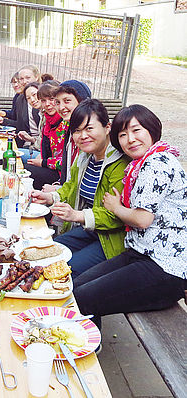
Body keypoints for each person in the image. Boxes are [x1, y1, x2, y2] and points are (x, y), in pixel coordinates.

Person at [73, 104, 187, 329]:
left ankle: (87, 352)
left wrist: (115, 207)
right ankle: (87, 344)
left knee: (82, 298)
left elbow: (143, 219)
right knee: (76, 287)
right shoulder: (142, 163)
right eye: (123, 134)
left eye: (137, 130)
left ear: (152, 129)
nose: (130, 139)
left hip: (164, 268)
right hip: (141, 254)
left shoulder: (156, 163)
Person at [31, 99, 130, 277]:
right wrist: (51, 197)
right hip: (91, 230)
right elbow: (71, 187)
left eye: (89, 128)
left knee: (65, 269)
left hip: (111, 238)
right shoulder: (85, 156)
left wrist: (77, 215)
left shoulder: (119, 164)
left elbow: (117, 216)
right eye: (76, 130)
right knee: (47, 252)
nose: (82, 136)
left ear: (107, 127)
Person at [24, 80, 64, 190]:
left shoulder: (64, 123)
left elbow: (65, 162)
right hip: (48, 165)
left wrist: (43, 163)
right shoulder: (47, 119)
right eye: (43, 100)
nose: (47, 104)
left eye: (51, 99)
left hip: (60, 174)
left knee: (23, 170)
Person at [54, 80, 92, 185]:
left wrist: (58, 191)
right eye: (57, 102)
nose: (61, 107)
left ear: (82, 101)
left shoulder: (90, 136)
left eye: (67, 101)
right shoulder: (70, 130)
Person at [0, 65, 42, 147]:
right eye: (21, 79)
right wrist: (3, 121)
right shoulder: (20, 99)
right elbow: (20, 124)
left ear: (36, 77)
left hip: (38, 146)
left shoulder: (42, 99)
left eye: (28, 78)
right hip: (28, 142)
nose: (24, 81)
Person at [16, 82, 42, 162]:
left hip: (45, 157)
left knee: (11, 156)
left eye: (34, 95)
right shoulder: (42, 114)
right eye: (28, 98)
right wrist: (30, 139)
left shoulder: (49, 115)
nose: (32, 100)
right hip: (37, 150)